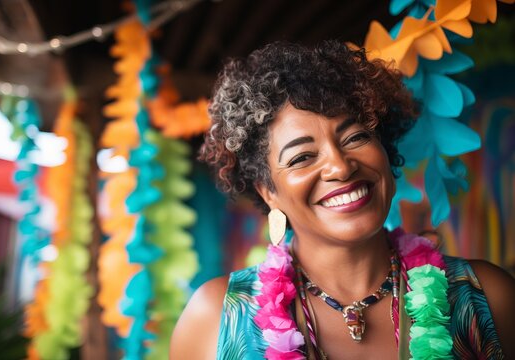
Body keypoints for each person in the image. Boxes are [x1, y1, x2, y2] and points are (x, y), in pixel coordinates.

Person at [170, 40, 515, 359]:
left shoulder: (488, 298)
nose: (339, 166)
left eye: (356, 137)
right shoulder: (215, 319)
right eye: (301, 157)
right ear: (268, 191)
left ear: (386, 150)